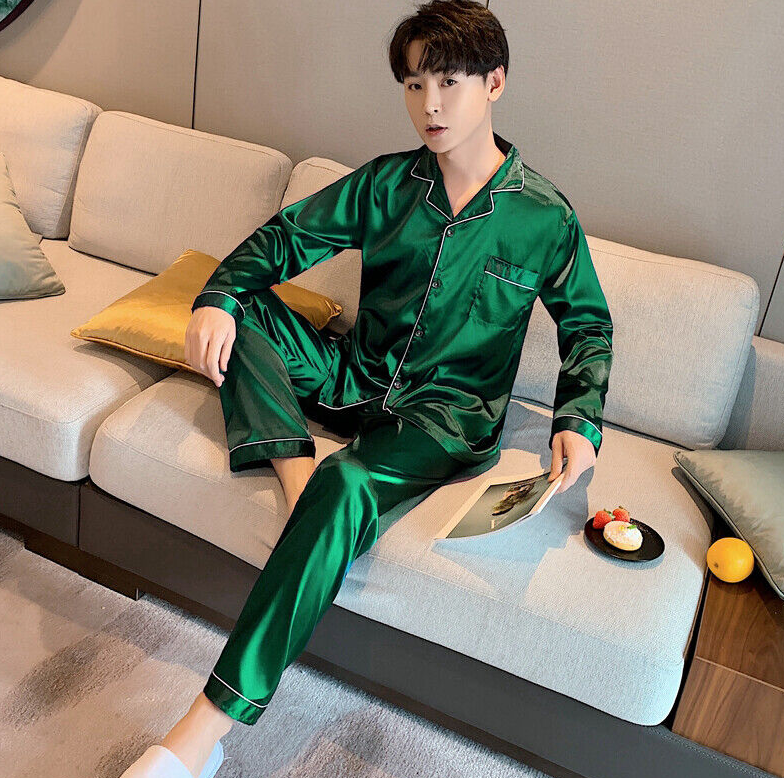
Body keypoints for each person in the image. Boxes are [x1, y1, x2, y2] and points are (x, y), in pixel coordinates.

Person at [119, 1, 613, 775]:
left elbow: (588, 326)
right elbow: (285, 239)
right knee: (243, 308)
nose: (430, 105)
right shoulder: (386, 183)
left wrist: (579, 419)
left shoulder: (543, 218)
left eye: (448, 83)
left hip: (444, 419)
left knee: (350, 482)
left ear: (495, 82)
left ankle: (199, 736)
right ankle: (298, 477)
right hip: (356, 377)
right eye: (414, 85)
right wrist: (217, 296)